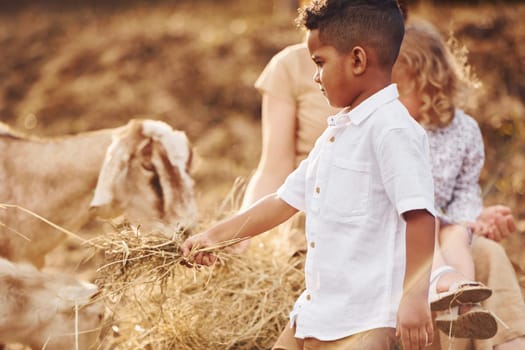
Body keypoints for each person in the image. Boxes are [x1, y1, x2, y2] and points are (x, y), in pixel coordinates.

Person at [242, 11, 525, 350]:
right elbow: (274, 172)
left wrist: (470, 219)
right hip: (337, 223)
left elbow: (431, 192)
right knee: (422, 250)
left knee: (487, 253)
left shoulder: (393, 55)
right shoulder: (301, 67)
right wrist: (241, 243)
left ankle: (507, 339)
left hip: (410, 222)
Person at [182, 1, 437, 349]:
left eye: (319, 63)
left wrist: (413, 297)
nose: (315, 76)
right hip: (314, 315)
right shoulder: (336, 135)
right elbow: (282, 201)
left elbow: (421, 216)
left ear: (358, 60)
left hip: (366, 321)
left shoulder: (393, 131)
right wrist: (217, 235)